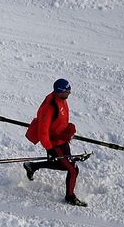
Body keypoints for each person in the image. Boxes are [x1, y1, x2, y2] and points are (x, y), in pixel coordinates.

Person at [23, 78, 86, 207]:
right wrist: (50, 148)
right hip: (55, 143)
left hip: (61, 139)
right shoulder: (50, 107)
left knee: (64, 165)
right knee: (73, 170)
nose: (69, 93)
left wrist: (67, 129)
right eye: (67, 91)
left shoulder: (61, 99)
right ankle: (70, 197)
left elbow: (59, 120)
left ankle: (33, 166)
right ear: (60, 92)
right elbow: (43, 131)